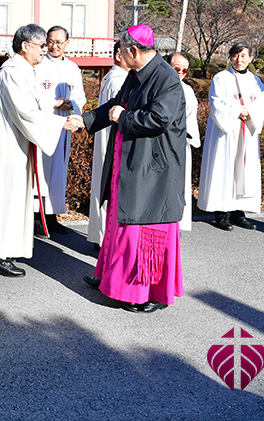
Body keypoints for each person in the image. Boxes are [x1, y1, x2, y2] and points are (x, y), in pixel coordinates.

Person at [81, 25, 187, 313]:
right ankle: (112, 278)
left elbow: (159, 119)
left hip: (154, 168)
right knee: (122, 223)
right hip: (133, 161)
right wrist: (86, 120)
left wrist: (124, 116)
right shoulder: (136, 74)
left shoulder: (166, 78)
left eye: (122, 49)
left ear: (134, 50)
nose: (119, 54)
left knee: (144, 229)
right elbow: (115, 105)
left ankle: (150, 292)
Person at [0, 24, 82, 278]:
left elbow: (35, 103)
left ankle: (4, 251)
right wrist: (60, 123)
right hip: (5, 148)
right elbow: (26, 112)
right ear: (25, 46)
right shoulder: (12, 72)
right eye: (41, 45)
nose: (45, 50)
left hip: (15, 145)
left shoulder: (24, 70)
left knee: (11, 198)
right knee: (2, 197)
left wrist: (56, 109)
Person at [197, 42, 264, 231]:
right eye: (235, 55)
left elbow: (262, 100)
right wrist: (238, 110)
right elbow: (217, 103)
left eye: (243, 55)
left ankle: (239, 213)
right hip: (226, 133)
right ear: (230, 57)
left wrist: (249, 112)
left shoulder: (256, 81)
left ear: (251, 58)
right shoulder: (221, 78)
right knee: (224, 169)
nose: (239, 59)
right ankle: (222, 214)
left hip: (246, 132)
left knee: (243, 171)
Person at [33, 25, 86, 236]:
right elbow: (35, 96)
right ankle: (37, 217)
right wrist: (55, 103)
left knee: (58, 171)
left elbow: (80, 96)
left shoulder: (72, 68)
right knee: (42, 169)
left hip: (63, 125)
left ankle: (52, 216)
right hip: (45, 123)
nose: (54, 46)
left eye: (59, 42)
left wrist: (71, 104)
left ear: (67, 43)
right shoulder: (39, 64)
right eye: (50, 42)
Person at [87, 41, 128, 248]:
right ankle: (106, 239)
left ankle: (102, 236)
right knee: (109, 188)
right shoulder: (118, 80)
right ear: (119, 56)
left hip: (105, 137)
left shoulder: (112, 76)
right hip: (112, 139)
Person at [168, 52, 201, 231]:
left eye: (185, 70)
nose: (180, 72)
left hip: (181, 143)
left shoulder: (188, 90)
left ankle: (177, 225)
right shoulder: (158, 86)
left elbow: (191, 118)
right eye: (177, 68)